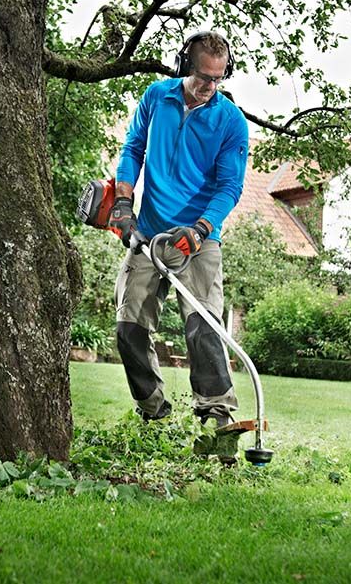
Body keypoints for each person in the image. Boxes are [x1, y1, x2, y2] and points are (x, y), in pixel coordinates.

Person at [108, 31, 249, 427]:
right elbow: (133, 149)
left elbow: (229, 187)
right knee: (128, 327)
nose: (209, 86)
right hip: (150, 234)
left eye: (218, 78)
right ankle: (153, 411)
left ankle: (216, 417)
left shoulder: (230, 121)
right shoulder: (157, 97)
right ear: (185, 64)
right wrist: (123, 202)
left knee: (204, 327)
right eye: (203, 76)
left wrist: (201, 229)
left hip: (199, 239)